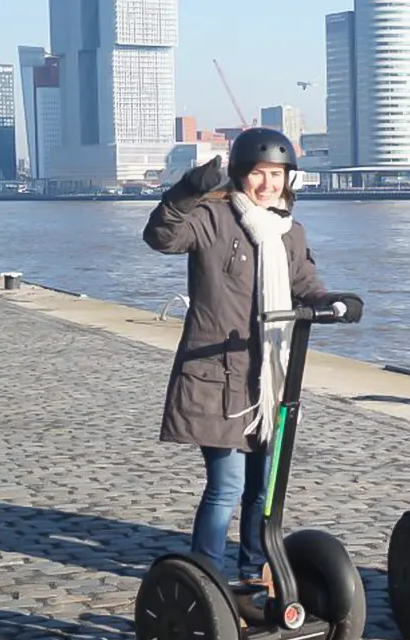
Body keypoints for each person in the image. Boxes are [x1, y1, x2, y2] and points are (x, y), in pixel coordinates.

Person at [143, 127, 365, 591]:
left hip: (272, 377)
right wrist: (188, 189)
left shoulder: (289, 230)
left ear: (290, 179)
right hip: (217, 375)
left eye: (277, 175)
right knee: (226, 487)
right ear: (242, 175)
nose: (268, 184)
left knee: (264, 489)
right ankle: (206, 579)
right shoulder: (212, 218)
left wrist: (335, 301)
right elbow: (162, 236)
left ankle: (250, 571)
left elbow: (305, 284)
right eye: (258, 174)